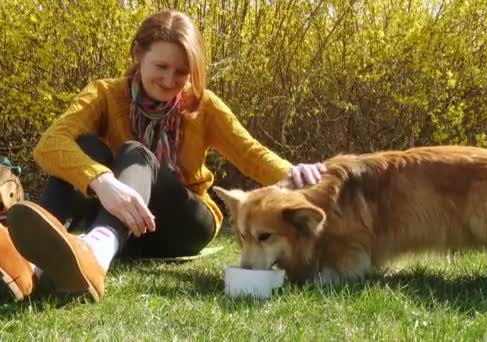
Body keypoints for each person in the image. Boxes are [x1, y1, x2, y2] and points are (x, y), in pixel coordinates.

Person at [0, 9, 325, 302]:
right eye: (161, 66)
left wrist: (293, 174)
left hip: (183, 224)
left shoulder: (203, 105)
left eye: (182, 71)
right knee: (86, 148)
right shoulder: (104, 94)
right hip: (124, 225)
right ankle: (25, 263)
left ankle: (94, 258)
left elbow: (251, 154)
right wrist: (101, 181)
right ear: (137, 54)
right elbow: (49, 144)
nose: (170, 80)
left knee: (134, 152)